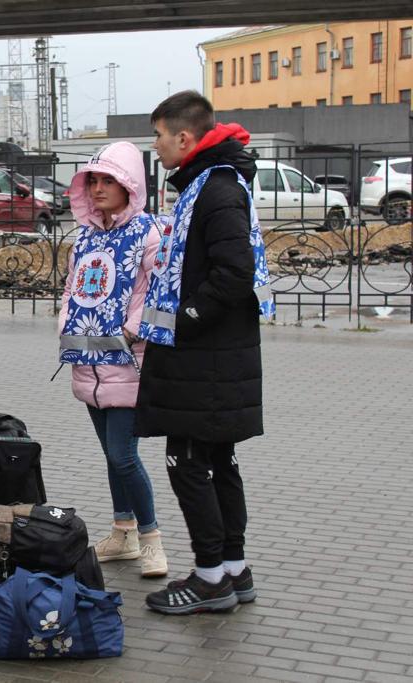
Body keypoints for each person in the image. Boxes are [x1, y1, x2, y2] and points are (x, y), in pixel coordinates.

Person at [135, 91, 272, 615]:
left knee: (190, 463)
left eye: (159, 136)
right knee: (217, 461)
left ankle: (211, 576)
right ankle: (234, 570)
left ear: (184, 138)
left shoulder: (215, 190)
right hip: (214, 359)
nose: (157, 145)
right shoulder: (212, 185)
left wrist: (186, 320)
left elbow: (234, 273)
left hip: (204, 358)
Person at [57, 141, 167, 578]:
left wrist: (128, 332)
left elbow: (158, 292)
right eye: (93, 181)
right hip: (88, 360)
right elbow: (71, 288)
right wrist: (68, 321)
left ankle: (153, 539)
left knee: (123, 455)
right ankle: (123, 532)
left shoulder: (150, 234)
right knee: (110, 454)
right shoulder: (85, 236)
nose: (99, 188)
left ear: (130, 185)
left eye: (109, 180)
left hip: (129, 362)